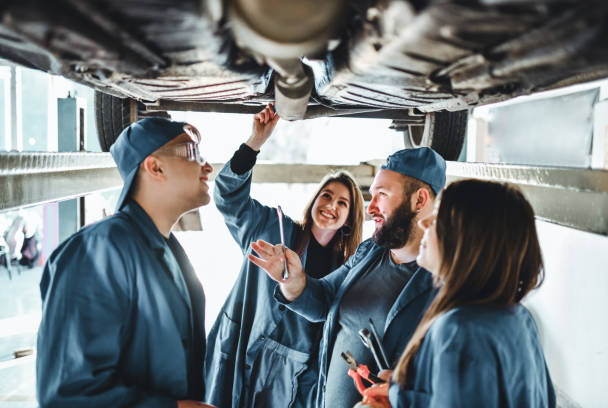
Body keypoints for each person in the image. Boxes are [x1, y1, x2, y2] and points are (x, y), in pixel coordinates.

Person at [36, 118, 215, 408]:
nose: (207, 166)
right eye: (192, 152)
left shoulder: (166, 250)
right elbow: (68, 394)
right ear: (155, 167)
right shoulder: (99, 250)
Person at [248, 147, 446, 408]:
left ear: (419, 200)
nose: (371, 207)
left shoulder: (446, 281)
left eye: (382, 195)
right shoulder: (370, 252)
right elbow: (324, 299)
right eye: (372, 195)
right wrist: (294, 281)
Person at [204, 104, 365, 408]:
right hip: (240, 347)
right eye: (326, 195)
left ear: (349, 219)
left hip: (291, 375)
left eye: (343, 203)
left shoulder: (346, 271)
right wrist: (254, 143)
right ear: (314, 200)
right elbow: (227, 197)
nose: (331, 205)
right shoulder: (271, 228)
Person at [361, 179, 556, 407]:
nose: (424, 223)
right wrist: (404, 395)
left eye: (438, 218)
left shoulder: (458, 330)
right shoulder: (519, 318)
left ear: (467, 240)